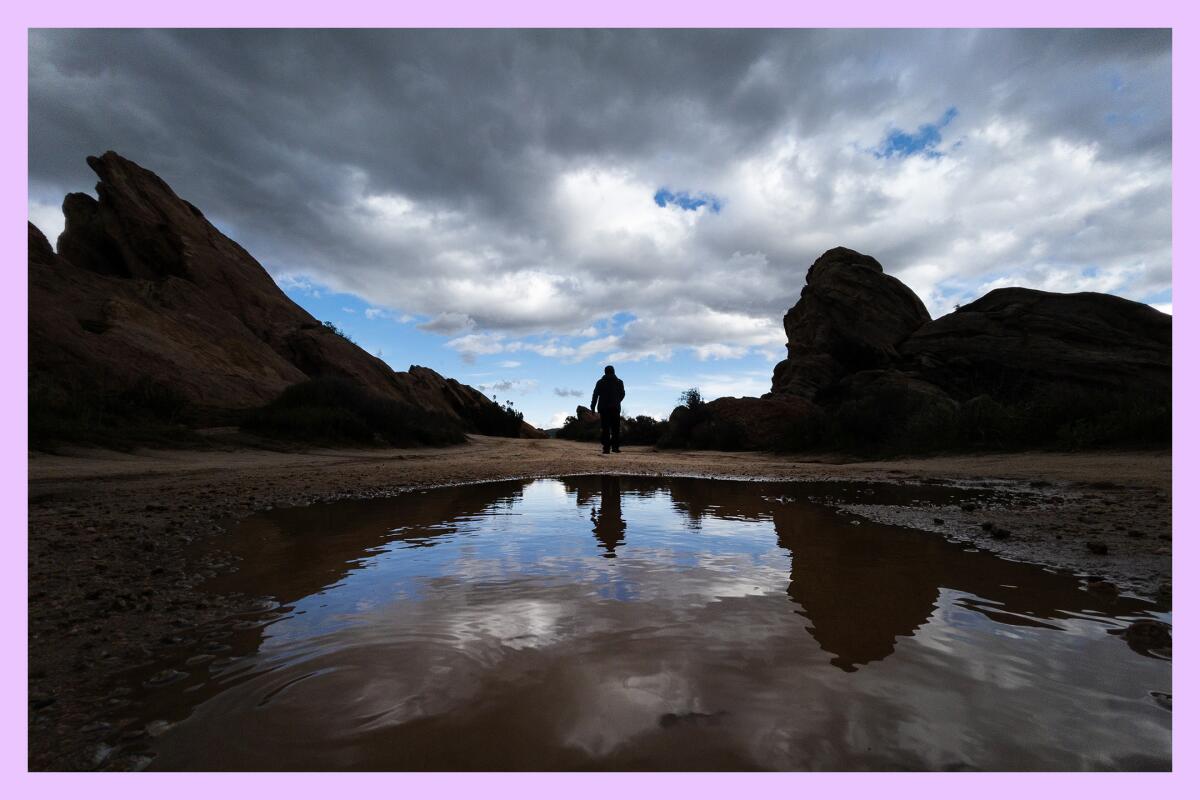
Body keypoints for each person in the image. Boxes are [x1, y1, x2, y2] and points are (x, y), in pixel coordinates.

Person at [590, 365, 625, 454]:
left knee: (605, 428)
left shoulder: (600, 382)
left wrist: (593, 407)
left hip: (604, 408)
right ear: (613, 371)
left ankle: (606, 448)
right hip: (615, 408)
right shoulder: (619, 382)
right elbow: (622, 394)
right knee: (615, 429)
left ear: (605, 372)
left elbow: (595, 395)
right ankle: (615, 448)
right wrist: (617, 401)